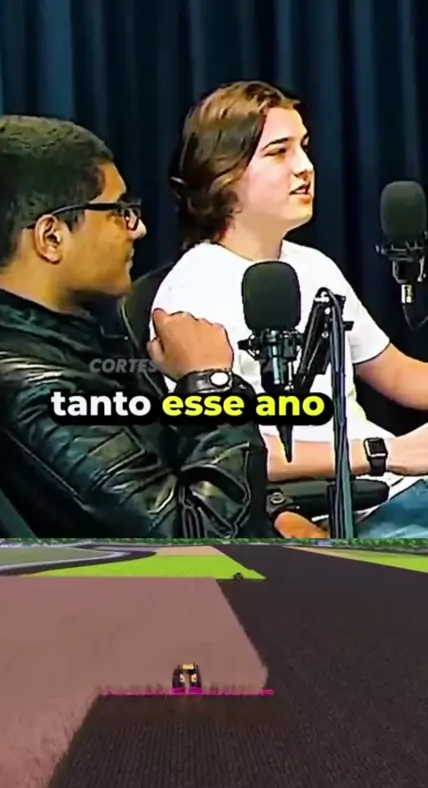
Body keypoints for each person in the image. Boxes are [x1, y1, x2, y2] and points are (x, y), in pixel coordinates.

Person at [0, 114, 324, 539]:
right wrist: (212, 383)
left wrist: (277, 510)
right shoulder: (35, 387)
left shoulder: (80, 337)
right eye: (118, 212)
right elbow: (197, 542)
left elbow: (177, 461)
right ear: (51, 238)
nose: (138, 228)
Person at [149, 80, 428, 538]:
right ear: (224, 172)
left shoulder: (312, 264)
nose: (305, 167)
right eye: (279, 152)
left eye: (304, 147)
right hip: (344, 509)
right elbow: (231, 450)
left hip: (398, 488)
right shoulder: (190, 295)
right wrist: (390, 452)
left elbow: (397, 374)